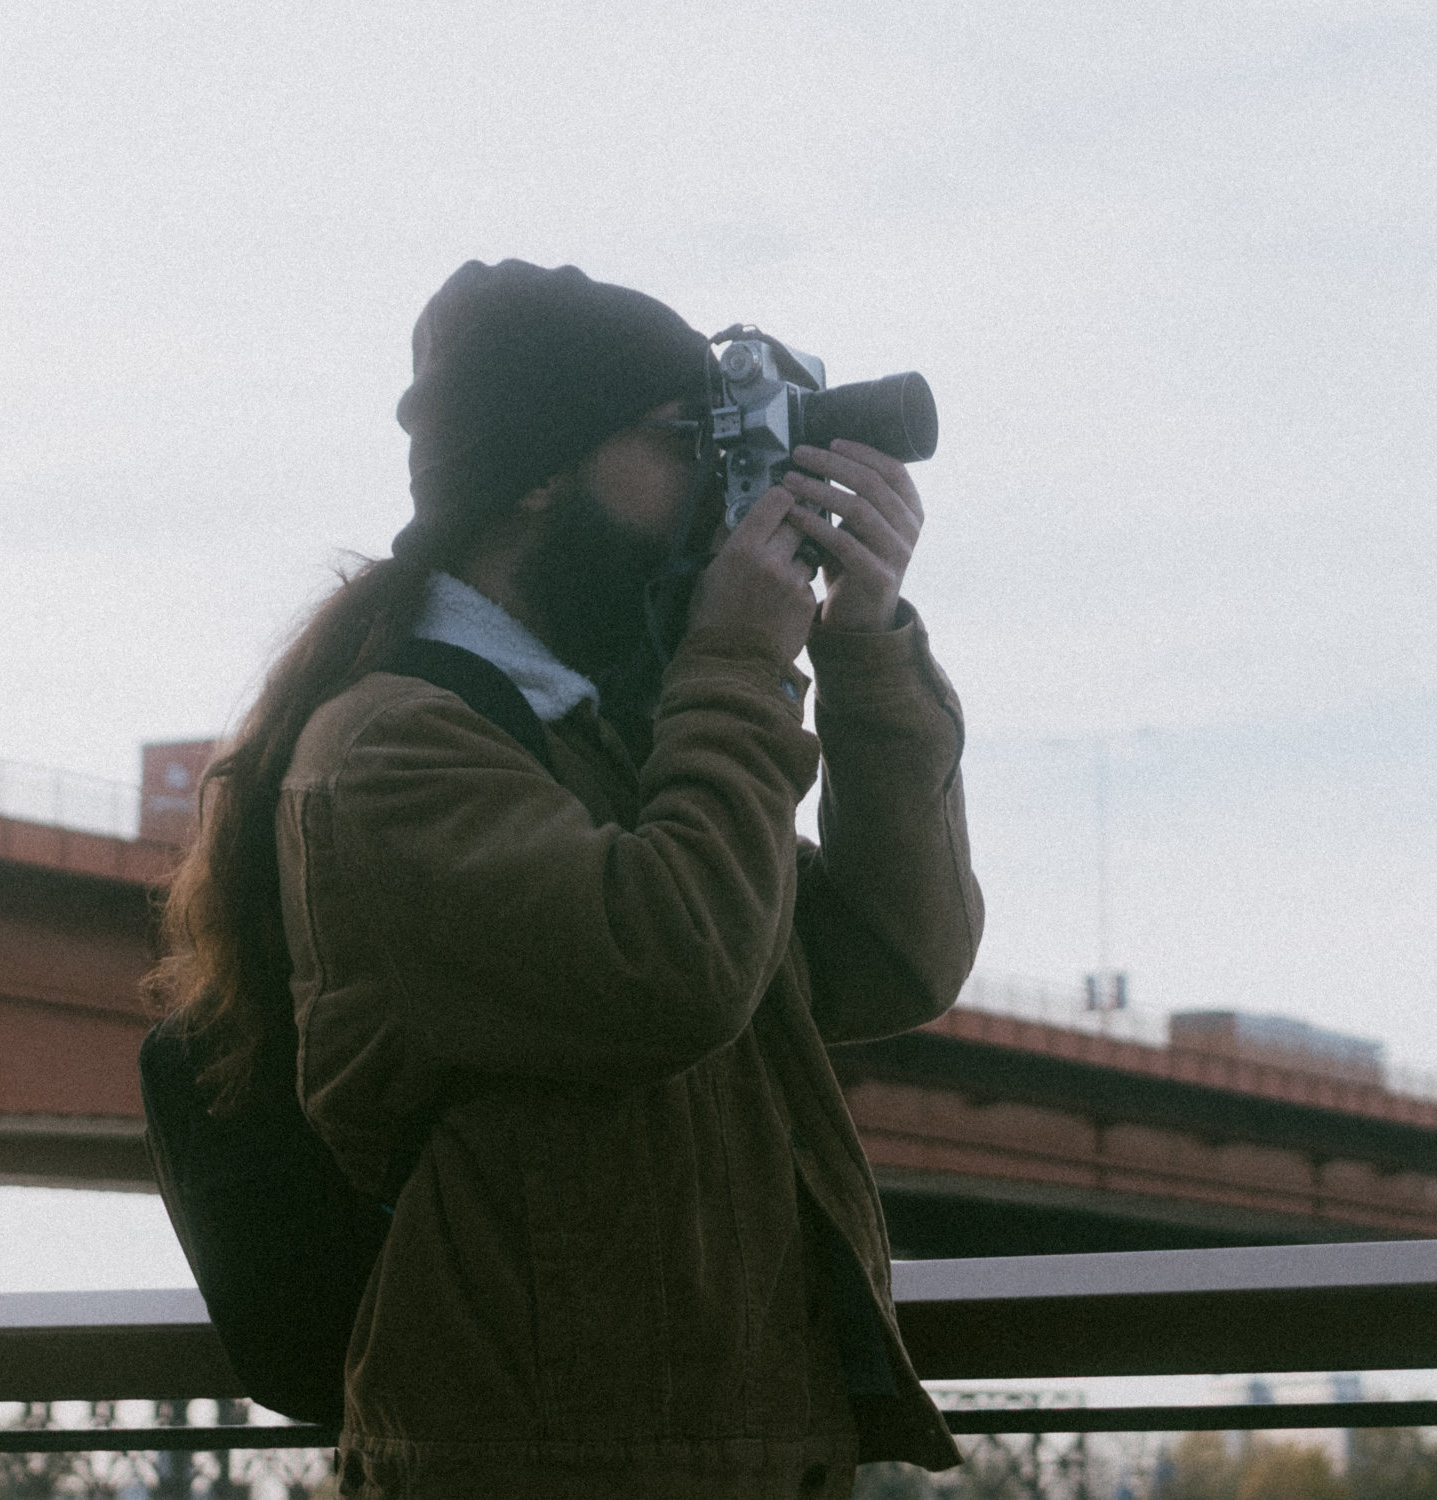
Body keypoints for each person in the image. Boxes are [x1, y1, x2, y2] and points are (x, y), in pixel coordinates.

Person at [152, 260, 982, 1499]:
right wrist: (739, 668)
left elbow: (892, 958)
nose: (712, 489)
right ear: (537, 472)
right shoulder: (390, 749)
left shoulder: (604, 738)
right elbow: (676, 972)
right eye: (678, 444)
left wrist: (863, 649)